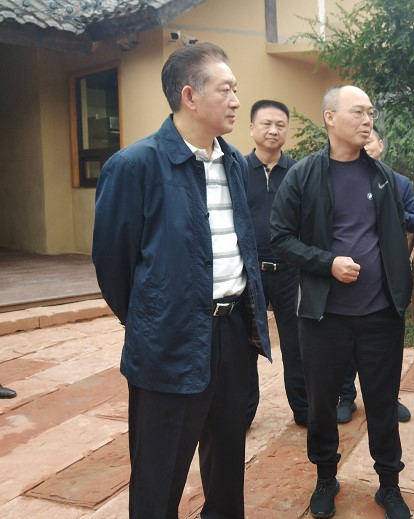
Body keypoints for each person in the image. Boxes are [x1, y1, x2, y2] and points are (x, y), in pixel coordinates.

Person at [92, 42, 271, 519]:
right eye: (226, 90)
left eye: (236, 90)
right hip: (168, 342)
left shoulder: (233, 162)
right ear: (190, 96)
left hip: (232, 334)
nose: (236, 101)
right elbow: (112, 265)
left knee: (228, 466)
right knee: (159, 473)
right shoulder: (135, 166)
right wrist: (153, 319)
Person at [270, 85, 413, 519]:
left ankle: (389, 485)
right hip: (324, 316)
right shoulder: (304, 175)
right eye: (358, 112)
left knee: (383, 404)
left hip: (380, 315)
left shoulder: (384, 177)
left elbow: (398, 232)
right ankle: (325, 478)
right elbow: (280, 238)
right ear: (330, 118)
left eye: (371, 112)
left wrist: (400, 292)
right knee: (321, 405)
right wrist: (327, 263)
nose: (368, 120)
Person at [335, 124, 414, 424]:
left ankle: (388, 398)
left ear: (380, 145)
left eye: (370, 141)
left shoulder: (398, 182)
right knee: (346, 343)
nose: (366, 146)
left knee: (386, 346)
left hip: (387, 276)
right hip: (346, 277)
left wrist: (391, 209)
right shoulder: (340, 179)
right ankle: (346, 396)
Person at [245, 99, 307, 428]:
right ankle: (242, 415)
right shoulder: (236, 170)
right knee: (244, 347)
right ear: (252, 128)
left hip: (290, 272)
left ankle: (304, 410)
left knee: (297, 346)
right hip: (248, 272)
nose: (273, 130)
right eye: (266, 124)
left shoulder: (299, 172)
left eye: (280, 125)